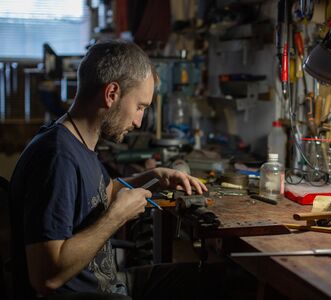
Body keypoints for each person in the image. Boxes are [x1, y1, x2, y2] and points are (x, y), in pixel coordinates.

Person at [9, 40, 219, 300]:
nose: (139, 121)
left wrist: (153, 177)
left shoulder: (78, 142)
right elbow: (45, 278)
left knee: (219, 279)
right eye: (139, 107)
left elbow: (100, 193)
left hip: (109, 283)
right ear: (111, 94)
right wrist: (116, 217)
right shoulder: (57, 158)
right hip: (88, 294)